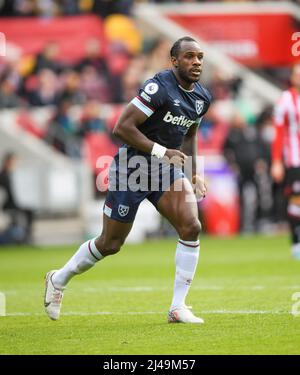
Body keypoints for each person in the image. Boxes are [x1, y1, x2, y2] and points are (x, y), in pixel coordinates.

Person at [44, 36, 211, 323]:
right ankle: (58, 279)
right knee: (110, 244)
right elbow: (122, 127)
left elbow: (191, 133)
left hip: (165, 170)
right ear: (174, 61)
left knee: (191, 225)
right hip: (132, 168)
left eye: (200, 57)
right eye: (189, 57)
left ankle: (177, 306)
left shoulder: (202, 98)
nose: (196, 62)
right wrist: (161, 151)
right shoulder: (158, 87)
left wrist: (194, 172)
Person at [271, 62, 300, 260]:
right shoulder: (285, 99)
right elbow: (279, 133)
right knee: (296, 201)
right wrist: (276, 161)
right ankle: (296, 243)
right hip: (294, 160)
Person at [0, 152, 34, 244]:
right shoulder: (3, 176)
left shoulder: (13, 175)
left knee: (29, 212)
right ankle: (24, 239)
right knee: (25, 215)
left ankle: (26, 238)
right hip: (9, 205)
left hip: (15, 204)